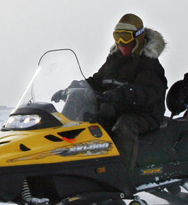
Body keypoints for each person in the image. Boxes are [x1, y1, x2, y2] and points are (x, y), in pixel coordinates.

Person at [53, 13, 167, 175]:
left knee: (124, 126)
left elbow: (148, 92)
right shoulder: (114, 60)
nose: (121, 43)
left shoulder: (148, 63)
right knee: (83, 120)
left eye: (125, 37)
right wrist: (74, 88)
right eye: (117, 37)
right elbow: (97, 80)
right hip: (113, 107)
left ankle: (121, 177)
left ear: (138, 38)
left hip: (143, 113)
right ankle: (64, 161)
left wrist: (121, 94)